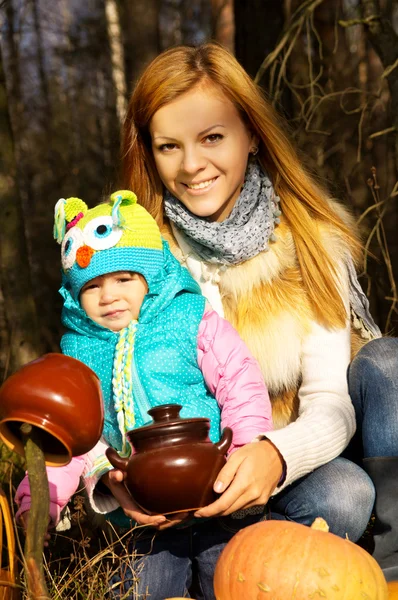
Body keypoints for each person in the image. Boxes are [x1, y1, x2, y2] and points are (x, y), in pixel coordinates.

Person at [114, 41, 398, 582]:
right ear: (148, 153)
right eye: (169, 146)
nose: (192, 165)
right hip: (186, 484)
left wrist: (275, 454)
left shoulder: (311, 242)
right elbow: (106, 380)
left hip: (291, 463)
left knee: (345, 485)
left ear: (251, 135)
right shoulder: (135, 260)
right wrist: (115, 480)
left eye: (213, 138)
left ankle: (388, 571)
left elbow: (329, 400)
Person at [15, 189, 273, 599]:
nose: (109, 295)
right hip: (144, 518)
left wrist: (244, 448)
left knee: (235, 582)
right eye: (92, 286)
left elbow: (239, 380)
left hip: (216, 493)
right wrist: (42, 504)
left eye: (123, 279)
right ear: (75, 296)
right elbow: (73, 438)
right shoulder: (80, 354)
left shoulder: (189, 318)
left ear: (150, 278)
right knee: (139, 590)